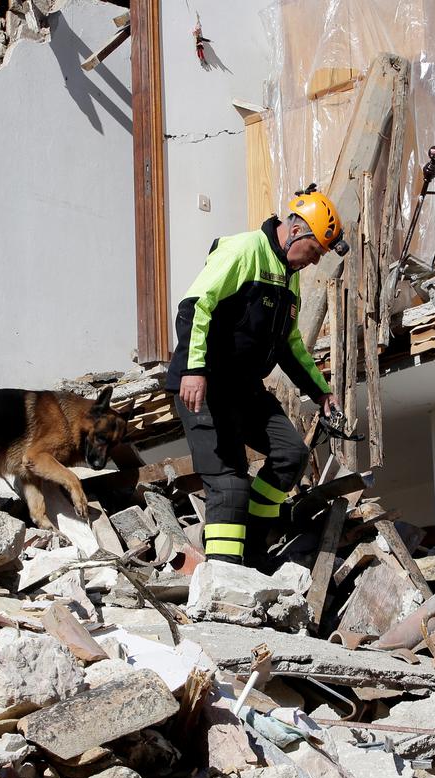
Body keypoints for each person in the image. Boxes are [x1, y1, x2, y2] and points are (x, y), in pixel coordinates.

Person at [165, 185, 349, 566]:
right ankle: (225, 577)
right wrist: (193, 369)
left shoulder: (287, 273)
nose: (313, 262)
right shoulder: (244, 250)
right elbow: (194, 306)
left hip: (244, 389)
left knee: (290, 454)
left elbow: (289, 344)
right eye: (314, 252)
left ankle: (253, 545)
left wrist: (320, 393)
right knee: (229, 483)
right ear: (297, 232)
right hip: (204, 384)